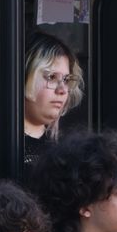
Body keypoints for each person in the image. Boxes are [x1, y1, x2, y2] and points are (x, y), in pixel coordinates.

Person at [22, 34, 82, 168]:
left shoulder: (69, 151)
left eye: (66, 80)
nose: (62, 90)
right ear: (26, 78)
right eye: (51, 77)